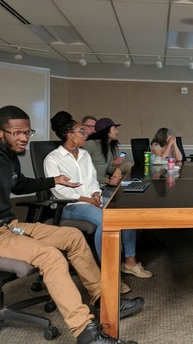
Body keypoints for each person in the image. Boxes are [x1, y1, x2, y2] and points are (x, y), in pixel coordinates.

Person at [0, 106, 143, 344]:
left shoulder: (7, 154)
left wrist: (53, 180)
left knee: (73, 237)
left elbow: (19, 185)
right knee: (50, 256)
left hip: (8, 225)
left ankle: (105, 301)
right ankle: (87, 334)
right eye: (17, 133)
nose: (24, 138)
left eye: (27, 132)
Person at [47, 113, 152, 287]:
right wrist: (88, 199)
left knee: (125, 213)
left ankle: (129, 262)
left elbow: (92, 181)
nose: (86, 134)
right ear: (69, 135)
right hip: (70, 205)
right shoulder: (52, 158)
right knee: (107, 222)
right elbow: (59, 192)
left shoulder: (84, 155)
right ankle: (109, 276)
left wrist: (96, 194)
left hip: (91, 200)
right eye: (82, 131)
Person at [83, 118, 133, 186]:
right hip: (92, 185)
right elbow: (83, 172)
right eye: (114, 129)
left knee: (128, 165)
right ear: (107, 132)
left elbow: (108, 169)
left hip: (103, 184)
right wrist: (108, 181)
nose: (117, 132)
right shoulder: (90, 144)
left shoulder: (109, 146)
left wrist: (118, 169)